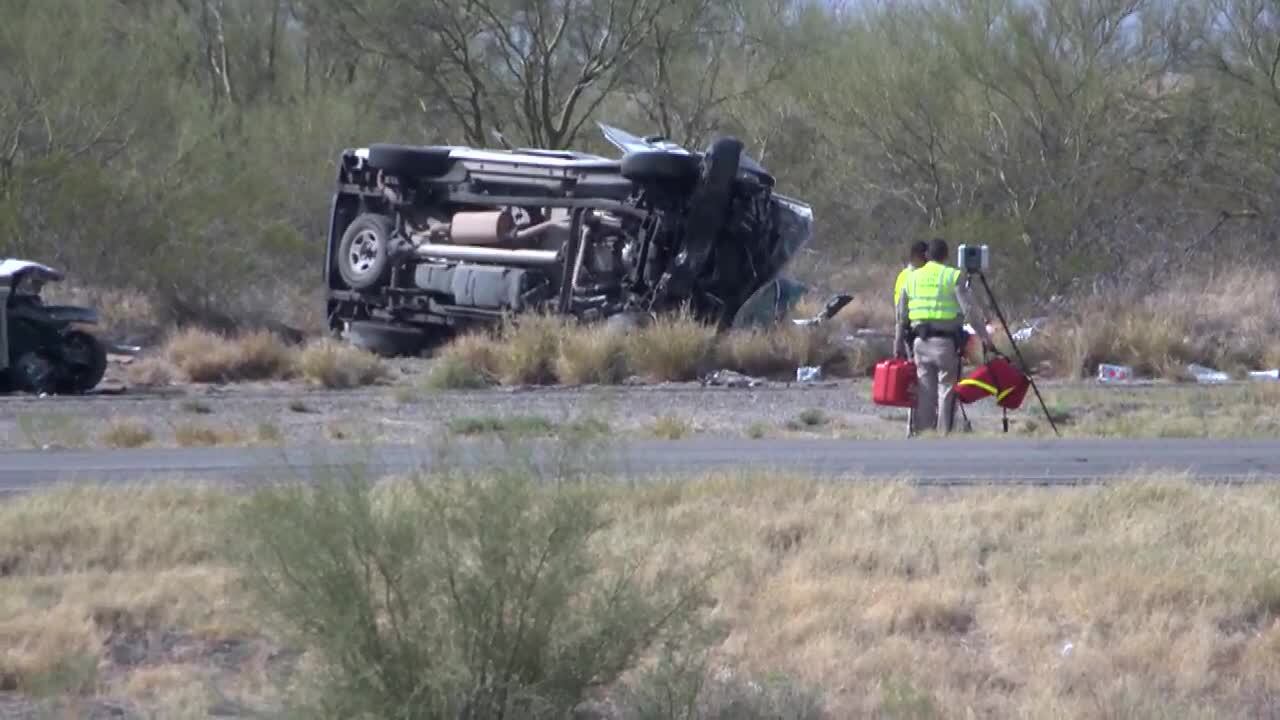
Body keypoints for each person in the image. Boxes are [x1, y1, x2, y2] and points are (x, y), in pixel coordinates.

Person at [894, 238, 993, 435]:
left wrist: (897, 343)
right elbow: (969, 310)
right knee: (946, 390)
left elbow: (901, 316)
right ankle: (943, 435)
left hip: (919, 343)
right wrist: (984, 337)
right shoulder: (952, 276)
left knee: (924, 391)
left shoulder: (911, 278)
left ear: (927, 256)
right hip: (945, 343)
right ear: (947, 256)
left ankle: (924, 435)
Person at [892, 240, 929, 309]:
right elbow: (899, 305)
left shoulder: (923, 273)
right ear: (918, 258)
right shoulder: (905, 276)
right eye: (926, 259)